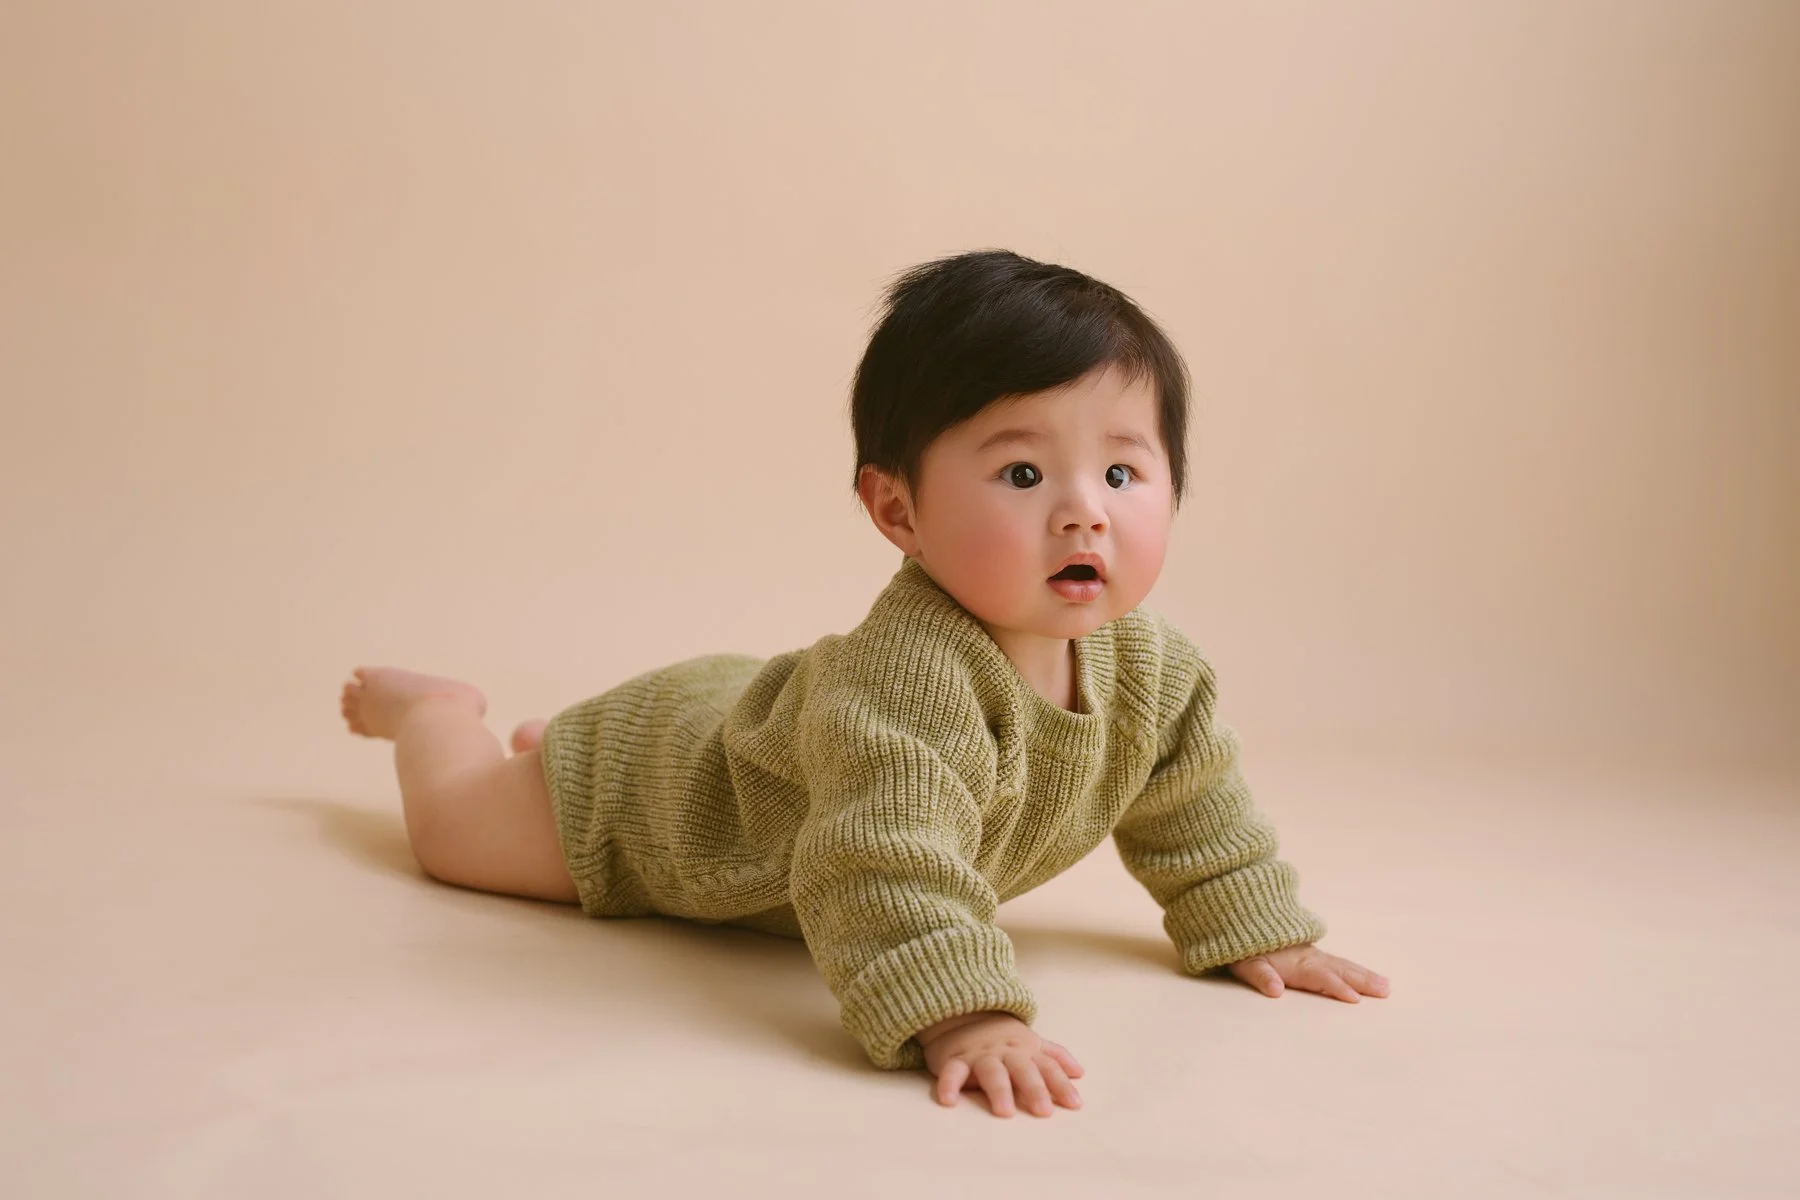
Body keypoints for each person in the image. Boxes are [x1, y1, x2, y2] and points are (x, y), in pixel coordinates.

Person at [340, 248, 1390, 1120]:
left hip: (772, 722)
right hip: (659, 798)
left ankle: (543, 744)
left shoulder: (1155, 670)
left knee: (790, 739)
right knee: (455, 835)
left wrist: (1254, 923)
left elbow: (1194, 801)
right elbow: (881, 859)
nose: (1086, 511)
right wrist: (965, 1011)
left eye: (1122, 472)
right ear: (898, 511)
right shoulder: (909, 686)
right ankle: (441, 715)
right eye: (1023, 474)